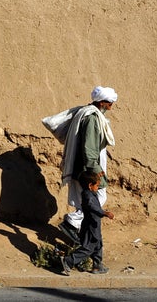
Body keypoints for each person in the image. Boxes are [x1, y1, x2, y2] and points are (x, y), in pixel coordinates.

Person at [57, 86, 117, 245]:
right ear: (102, 102)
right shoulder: (91, 118)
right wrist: (97, 171)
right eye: (110, 103)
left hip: (85, 167)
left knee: (88, 201)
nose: (111, 106)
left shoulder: (90, 114)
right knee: (98, 198)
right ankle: (72, 222)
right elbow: (89, 148)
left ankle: (79, 232)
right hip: (88, 170)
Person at [60, 171, 114, 275]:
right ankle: (68, 261)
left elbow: (91, 183)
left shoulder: (88, 192)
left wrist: (97, 176)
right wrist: (104, 213)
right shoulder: (88, 196)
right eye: (97, 185)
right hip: (90, 227)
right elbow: (91, 206)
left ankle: (97, 266)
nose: (98, 187)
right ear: (90, 185)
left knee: (98, 245)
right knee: (88, 248)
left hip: (94, 225)